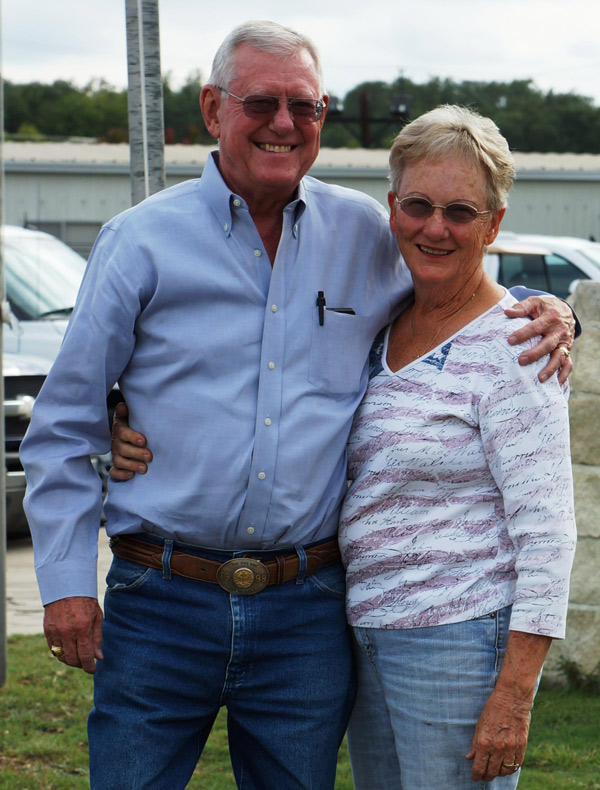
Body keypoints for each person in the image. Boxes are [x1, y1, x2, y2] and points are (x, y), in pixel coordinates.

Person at [22, 19, 575, 790]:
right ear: (212, 109)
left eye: (305, 106)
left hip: (306, 613)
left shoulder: (366, 234)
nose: (283, 123)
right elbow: (61, 426)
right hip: (160, 602)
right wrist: (67, 585)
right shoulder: (138, 243)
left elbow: (456, 281)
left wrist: (554, 311)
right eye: (261, 103)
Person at [337, 106, 576, 789]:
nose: (435, 228)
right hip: (364, 636)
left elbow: (548, 533)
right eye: (418, 205)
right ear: (393, 209)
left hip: (460, 643)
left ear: (493, 225)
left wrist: (515, 695)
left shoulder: (516, 346)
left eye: (461, 212)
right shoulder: (383, 322)